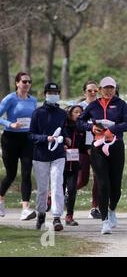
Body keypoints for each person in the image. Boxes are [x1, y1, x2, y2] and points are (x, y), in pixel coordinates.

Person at [77, 76, 127, 235]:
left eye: (112, 88)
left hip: (116, 147)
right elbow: (79, 122)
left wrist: (113, 129)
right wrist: (91, 128)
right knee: (102, 185)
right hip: (97, 149)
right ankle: (104, 222)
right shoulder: (93, 105)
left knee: (116, 188)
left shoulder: (121, 104)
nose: (109, 90)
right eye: (106, 88)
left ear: (115, 89)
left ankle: (112, 210)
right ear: (100, 90)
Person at [29, 82, 70, 231]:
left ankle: (57, 217)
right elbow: (31, 135)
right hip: (40, 155)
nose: (54, 95)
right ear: (45, 94)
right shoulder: (37, 113)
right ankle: (41, 214)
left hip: (58, 154)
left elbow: (63, 129)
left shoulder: (62, 113)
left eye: (56, 93)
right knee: (42, 188)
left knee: (57, 184)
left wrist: (66, 138)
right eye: (51, 93)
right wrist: (45, 139)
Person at [0, 72, 37, 220]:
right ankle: (1, 199)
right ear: (17, 83)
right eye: (24, 81)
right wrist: (10, 124)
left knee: (27, 172)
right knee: (11, 174)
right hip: (10, 138)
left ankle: (25, 209)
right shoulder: (10, 98)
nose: (27, 84)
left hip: (27, 138)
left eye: (29, 82)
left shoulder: (33, 100)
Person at [78, 81, 101, 219]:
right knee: (82, 180)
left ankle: (94, 208)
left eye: (95, 91)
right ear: (84, 92)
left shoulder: (100, 106)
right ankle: (59, 194)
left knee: (98, 178)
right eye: (90, 91)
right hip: (82, 146)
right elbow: (76, 125)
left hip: (97, 145)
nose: (93, 93)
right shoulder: (80, 107)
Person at [63, 105, 86, 226]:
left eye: (80, 112)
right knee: (60, 190)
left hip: (74, 163)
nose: (78, 114)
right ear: (70, 113)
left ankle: (69, 216)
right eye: (76, 112)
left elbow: (84, 145)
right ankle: (55, 215)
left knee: (72, 190)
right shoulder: (63, 126)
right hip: (61, 163)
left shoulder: (82, 128)